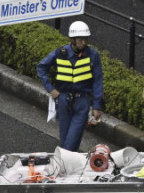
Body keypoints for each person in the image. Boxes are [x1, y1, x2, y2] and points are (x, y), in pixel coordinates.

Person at [36, 21, 104, 152]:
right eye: (80, 39)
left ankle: (63, 164)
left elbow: (97, 81)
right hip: (63, 99)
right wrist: (50, 88)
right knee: (64, 139)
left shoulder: (92, 55)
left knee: (71, 141)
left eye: (85, 39)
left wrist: (96, 106)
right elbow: (41, 67)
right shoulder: (60, 53)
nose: (84, 42)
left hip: (82, 101)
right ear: (72, 39)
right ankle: (67, 166)